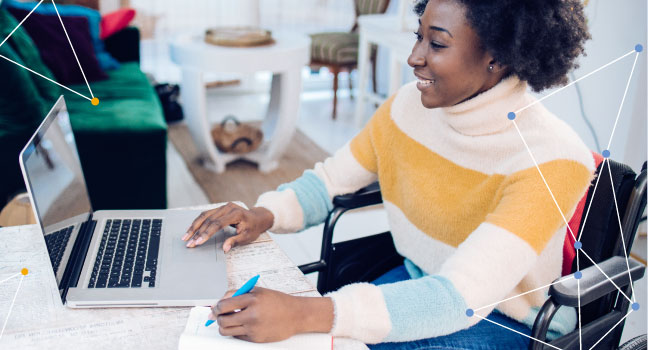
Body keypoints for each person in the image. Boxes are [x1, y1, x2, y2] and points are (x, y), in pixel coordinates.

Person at [182, 0, 594, 348]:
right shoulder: (407, 108)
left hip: (502, 319)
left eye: (436, 43)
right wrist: (261, 215)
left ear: (497, 56)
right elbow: (329, 181)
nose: (414, 57)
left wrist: (305, 312)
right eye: (419, 36)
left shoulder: (552, 158)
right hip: (419, 278)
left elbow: (460, 299)